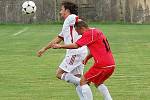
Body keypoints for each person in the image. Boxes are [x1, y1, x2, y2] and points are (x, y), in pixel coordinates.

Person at [37, 1, 89, 100]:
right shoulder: (67, 24)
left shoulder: (71, 17)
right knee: (76, 78)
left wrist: (90, 30)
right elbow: (58, 38)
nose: (60, 12)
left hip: (75, 52)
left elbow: (79, 20)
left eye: (61, 9)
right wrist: (44, 49)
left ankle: (84, 81)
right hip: (80, 52)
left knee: (59, 74)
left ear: (67, 11)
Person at [52, 20, 116, 100]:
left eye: (78, 31)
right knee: (98, 83)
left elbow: (76, 45)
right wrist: (87, 58)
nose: (78, 34)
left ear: (82, 28)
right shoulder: (96, 31)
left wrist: (60, 46)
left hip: (102, 65)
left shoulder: (88, 34)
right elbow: (98, 49)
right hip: (111, 64)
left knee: (83, 81)